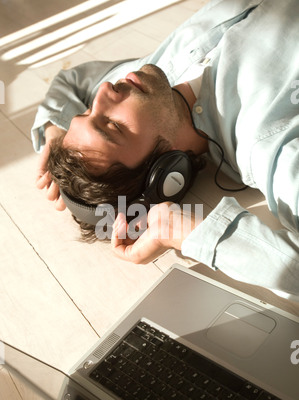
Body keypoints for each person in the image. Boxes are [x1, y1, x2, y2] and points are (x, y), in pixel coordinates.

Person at [32, 0, 299, 299]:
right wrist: (184, 231)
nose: (105, 90)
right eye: (111, 125)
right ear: (165, 172)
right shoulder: (266, 142)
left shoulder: (144, 82)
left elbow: (70, 80)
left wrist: (55, 132)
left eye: (85, 114)